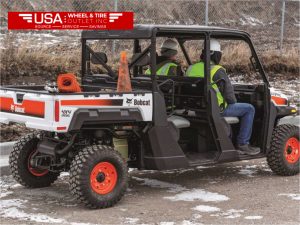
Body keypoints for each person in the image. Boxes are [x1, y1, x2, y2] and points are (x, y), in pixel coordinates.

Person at [186, 39, 260, 155]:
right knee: (249, 109)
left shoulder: (191, 68)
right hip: (217, 110)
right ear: (216, 55)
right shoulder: (218, 71)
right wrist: (235, 100)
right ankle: (242, 143)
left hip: (195, 108)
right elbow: (230, 98)